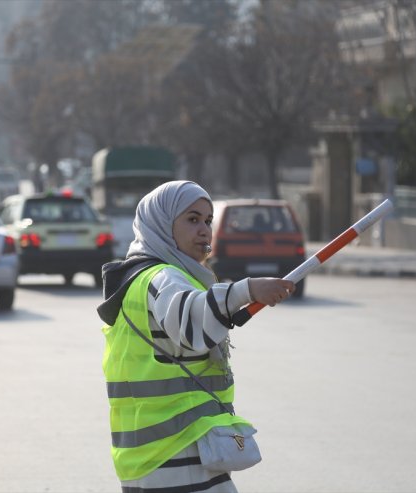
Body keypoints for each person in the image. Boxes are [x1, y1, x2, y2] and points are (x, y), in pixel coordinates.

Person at [97, 180, 295, 492]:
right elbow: (191, 321)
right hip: (176, 453)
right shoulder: (161, 277)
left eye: (207, 220)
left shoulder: (147, 276)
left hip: (157, 457)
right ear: (161, 224)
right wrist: (247, 289)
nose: (204, 230)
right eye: (192, 219)